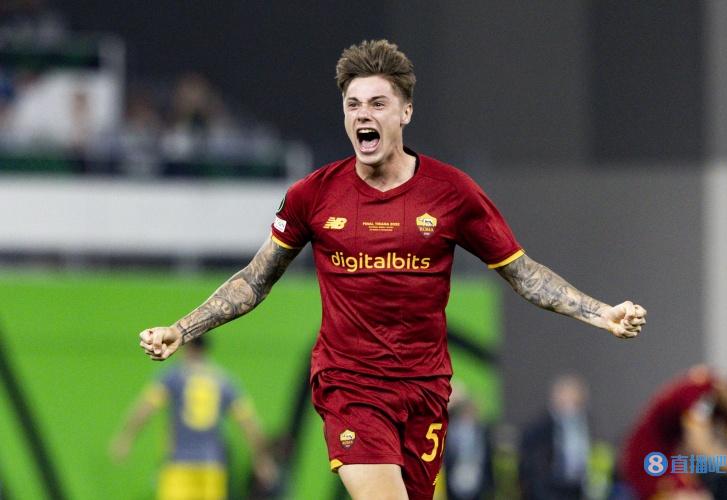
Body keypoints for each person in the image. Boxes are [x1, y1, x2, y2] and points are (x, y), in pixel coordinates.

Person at [138, 39, 647, 500]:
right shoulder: (312, 196)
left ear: (405, 112)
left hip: (425, 389)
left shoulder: (452, 193)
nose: (364, 114)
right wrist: (183, 329)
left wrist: (601, 313)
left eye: (378, 103)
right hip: (350, 385)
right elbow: (255, 280)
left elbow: (523, 273)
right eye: (353, 104)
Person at [110, 336, 277, 500]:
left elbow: (146, 408)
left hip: (178, 463)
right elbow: (248, 423)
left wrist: (126, 438)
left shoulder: (172, 377)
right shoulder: (224, 381)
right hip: (212, 466)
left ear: (185, 348)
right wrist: (262, 458)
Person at [617, 365, 727, 499]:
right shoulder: (702, 391)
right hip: (648, 457)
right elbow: (700, 446)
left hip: (672, 458)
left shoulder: (726, 410)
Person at [519, 374, 591, 500]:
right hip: (549, 491)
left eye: (574, 401)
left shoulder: (587, 426)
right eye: (565, 400)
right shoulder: (538, 428)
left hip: (577, 490)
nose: (569, 406)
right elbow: (530, 468)